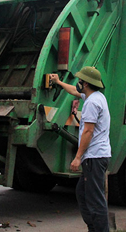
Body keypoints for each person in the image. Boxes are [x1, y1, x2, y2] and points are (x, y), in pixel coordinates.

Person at [50, 67, 111, 232]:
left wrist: (77, 157)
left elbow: (88, 131)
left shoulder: (92, 103)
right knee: (82, 193)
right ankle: (93, 227)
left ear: (85, 84)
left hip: (94, 157)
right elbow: (74, 92)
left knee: (94, 200)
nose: (78, 83)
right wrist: (58, 82)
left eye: (80, 81)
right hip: (96, 156)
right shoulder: (97, 96)